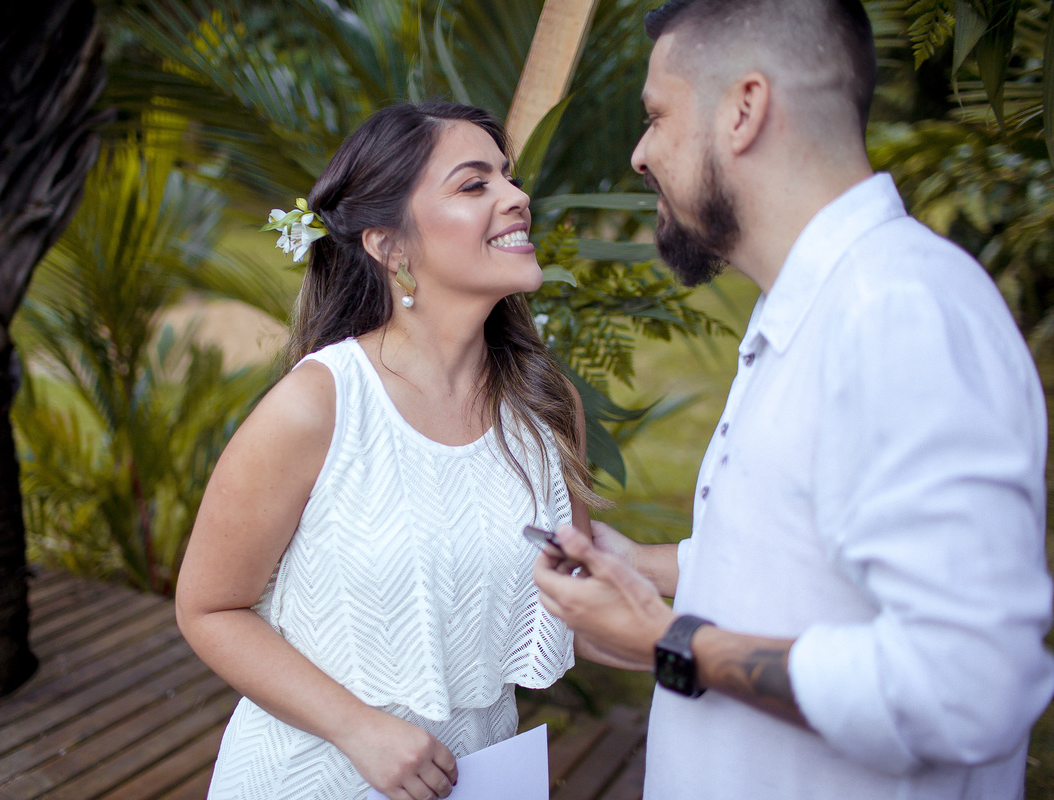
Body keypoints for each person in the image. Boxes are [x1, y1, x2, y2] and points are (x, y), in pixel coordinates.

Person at [533, 1, 1054, 798]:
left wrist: (671, 642)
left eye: (656, 115)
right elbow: (807, 559)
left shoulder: (896, 314)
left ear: (744, 109)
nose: (639, 154)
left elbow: (967, 683)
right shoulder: (819, 310)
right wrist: (638, 566)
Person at [176, 100, 602, 800]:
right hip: (316, 776)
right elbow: (210, 608)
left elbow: (581, 595)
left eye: (508, 177)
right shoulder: (319, 405)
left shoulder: (546, 406)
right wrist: (359, 729)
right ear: (390, 245)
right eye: (475, 184)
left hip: (479, 777)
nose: (518, 197)